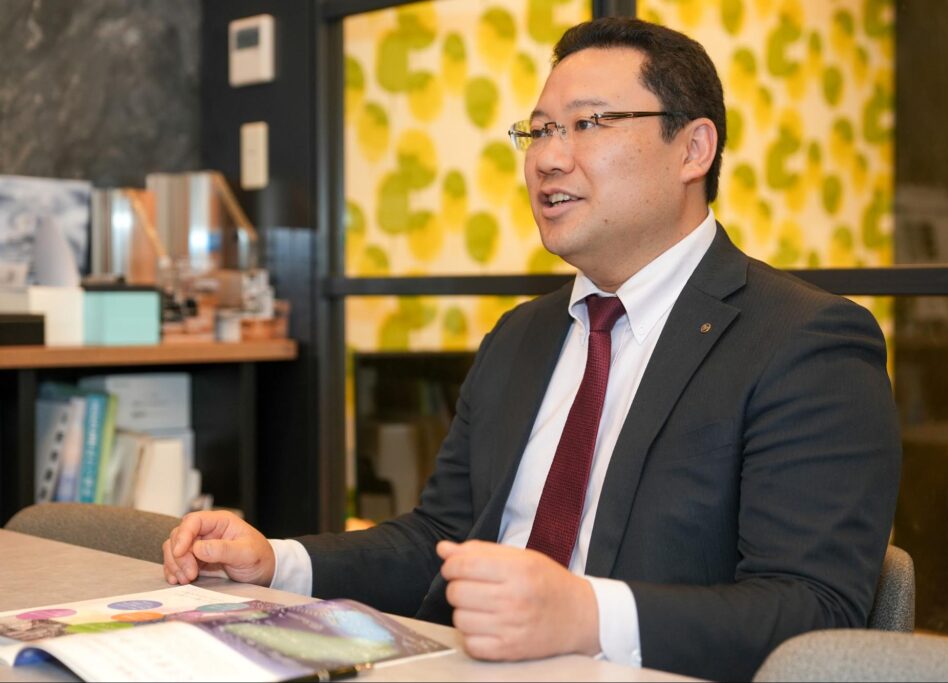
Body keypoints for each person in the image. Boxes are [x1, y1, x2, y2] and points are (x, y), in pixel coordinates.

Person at [163, 17, 901, 681]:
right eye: (539, 130)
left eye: (588, 124)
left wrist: (584, 614)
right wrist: (280, 561)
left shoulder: (804, 342)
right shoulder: (521, 335)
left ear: (693, 148)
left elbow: (812, 611)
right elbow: (439, 539)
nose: (548, 158)